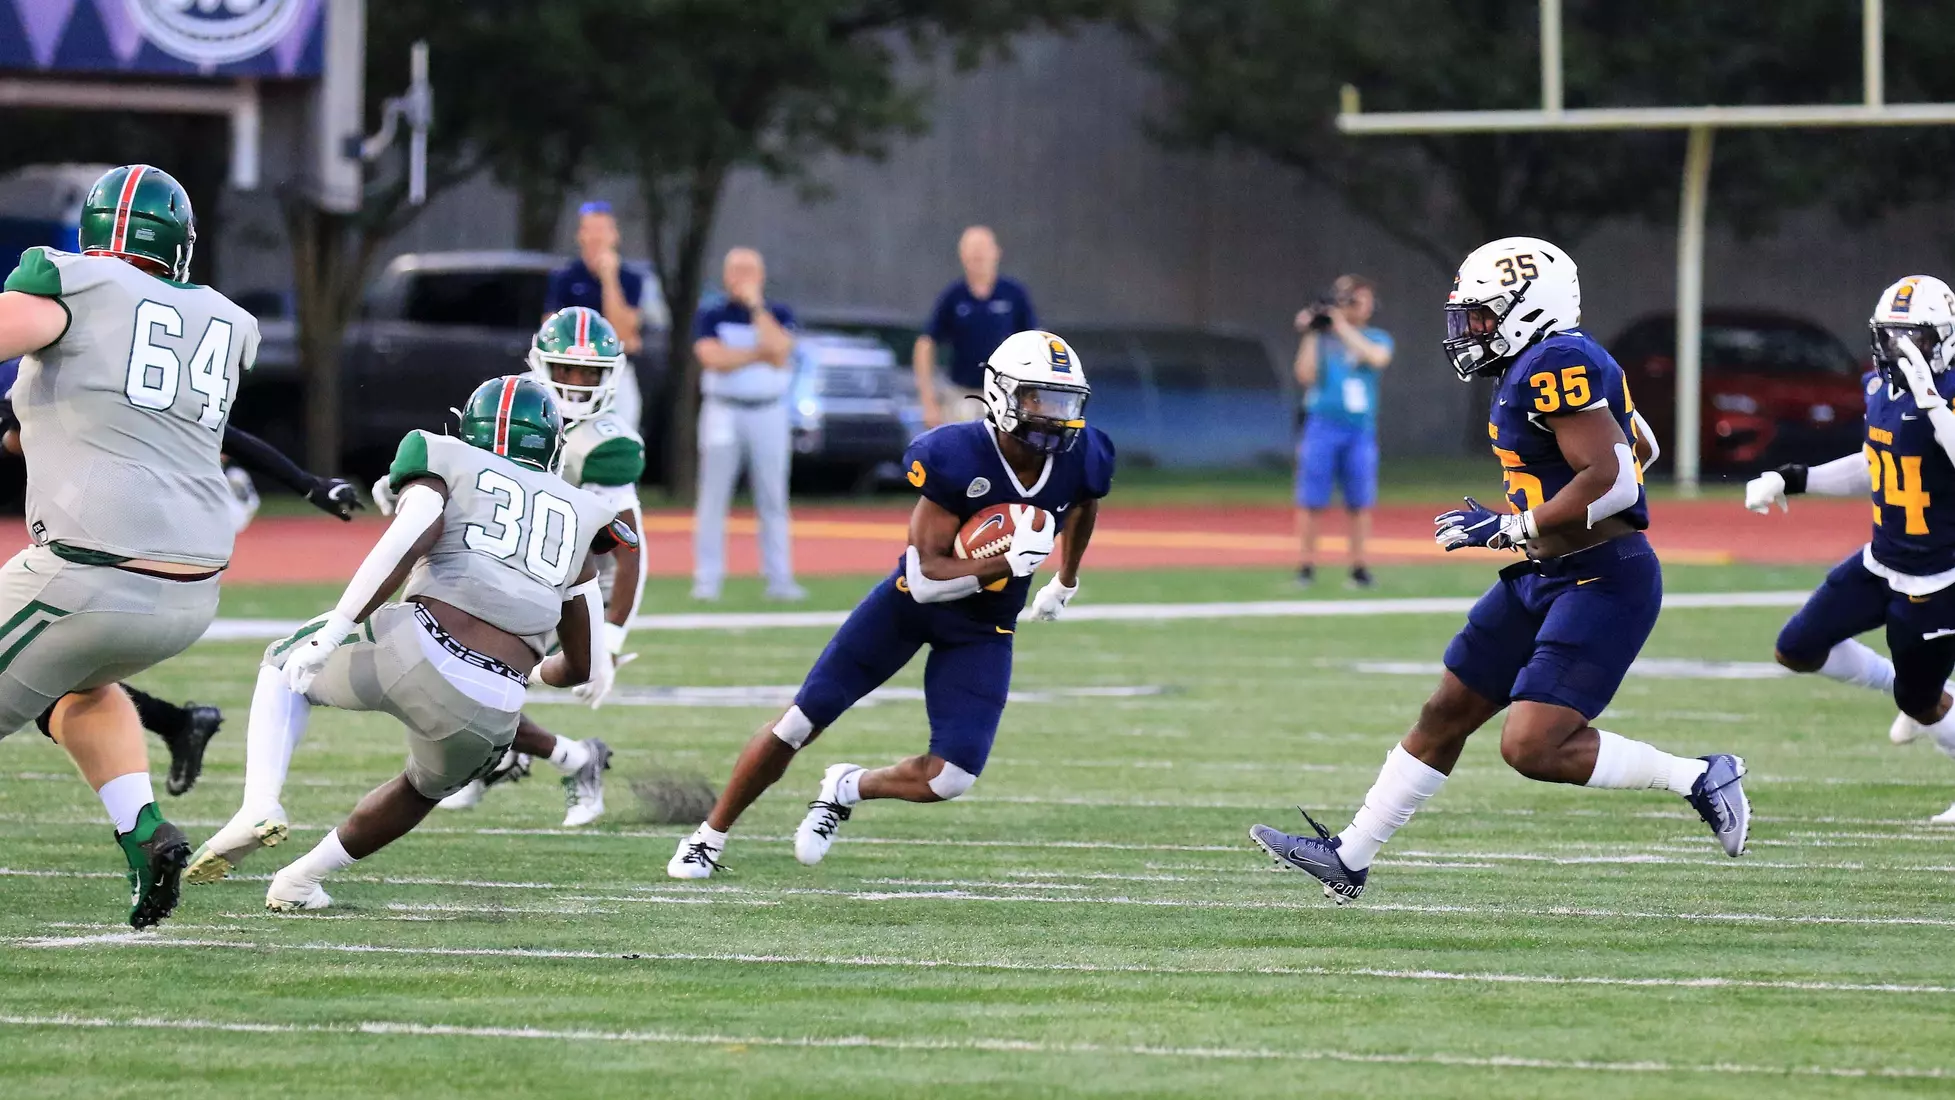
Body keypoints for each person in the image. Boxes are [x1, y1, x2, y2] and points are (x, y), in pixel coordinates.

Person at [1249, 236, 1750, 905]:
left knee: (1532, 748)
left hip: (1602, 577)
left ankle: (1697, 776)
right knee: (1445, 709)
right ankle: (1350, 856)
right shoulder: (1541, 361)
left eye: (1483, 316)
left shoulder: (1557, 361)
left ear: (1529, 309)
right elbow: (1641, 449)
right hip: (1544, 574)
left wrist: (1515, 524)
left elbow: (1617, 482)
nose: (1470, 331)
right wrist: (1548, 519)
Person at [668, 329, 1114, 879]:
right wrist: (1003, 564)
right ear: (1001, 393)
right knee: (798, 724)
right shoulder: (955, 455)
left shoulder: (1085, 454)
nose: (1052, 416)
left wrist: (1064, 580)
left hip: (983, 628)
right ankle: (707, 837)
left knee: (952, 778)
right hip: (908, 609)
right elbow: (924, 576)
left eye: (1064, 402)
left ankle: (846, 787)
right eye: (1038, 400)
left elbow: (1084, 503)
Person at [186, 377, 629, 908]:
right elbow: (581, 663)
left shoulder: (444, 455)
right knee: (423, 789)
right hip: (495, 706)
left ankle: (258, 803)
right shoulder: (582, 514)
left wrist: (334, 630)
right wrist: (530, 670)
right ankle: (300, 881)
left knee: (282, 666)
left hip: (416, 645)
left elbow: (406, 537)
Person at [0, 164, 258, 928]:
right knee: (79, 691)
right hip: (190, 592)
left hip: (92, 575)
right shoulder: (228, 321)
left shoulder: (74, 283)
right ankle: (144, 833)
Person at [420, 306, 646, 824]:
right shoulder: (507, 402)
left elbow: (629, 545)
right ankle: (566, 757)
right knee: (462, 677)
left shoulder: (606, 442)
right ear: (538, 363)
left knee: (468, 676)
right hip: (500, 560)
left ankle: (532, 757)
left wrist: (610, 635)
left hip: (566, 573)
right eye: (565, 369)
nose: (575, 383)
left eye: (588, 373)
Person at [1745, 275, 1955, 825]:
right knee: (1796, 648)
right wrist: (1793, 479)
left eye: (1917, 340)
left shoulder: (1947, 393)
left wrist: (1933, 402)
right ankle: (1916, 690)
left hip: (1939, 578)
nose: (1901, 352)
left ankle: (1925, 700)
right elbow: (1876, 461)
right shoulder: (1878, 389)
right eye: (1892, 339)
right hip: (1882, 560)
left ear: (1946, 339)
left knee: (1922, 703)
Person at [690, 247, 802, 601]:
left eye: (748, 270)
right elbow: (712, 358)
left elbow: (781, 349)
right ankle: (707, 581)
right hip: (723, 410)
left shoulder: (777, 312)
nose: (741, 277)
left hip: (768, 411)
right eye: (735, 269)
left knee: (773, 497)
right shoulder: (711, 314)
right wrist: (759, 354)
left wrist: (756, 309)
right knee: (713, 497)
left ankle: (780, 579)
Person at [1293, 275, 1392, 589]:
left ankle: (1359, 566)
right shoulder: (1323, 340)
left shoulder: (1377, 336)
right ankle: (1306, 566)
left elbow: (1376, 357)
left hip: (1359, 428)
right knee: (1311, 499)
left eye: (1358, 300)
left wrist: (1340, 326)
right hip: (1322, 424)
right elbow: (1305, 375)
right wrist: (1311, 333)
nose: (1354, 306)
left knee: (1360, 501)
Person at [914, 227, 1039, 428]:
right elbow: (925, 343)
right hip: (962, 395)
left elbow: (1035, 342)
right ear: (962, 254)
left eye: (982, 247)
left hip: (1007, 395)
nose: (977, 254)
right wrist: (928, 401)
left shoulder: (1014, 295)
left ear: (996, 252)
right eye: (971, 248)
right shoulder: (953, 297)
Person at [544, 201, 644, 430]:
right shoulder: (565, 277)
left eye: (603, 230)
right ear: (581, 235)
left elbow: (625, 335)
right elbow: (550, 332)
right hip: (569, 375)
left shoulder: (630, 279)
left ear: (615, 236)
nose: (597, 238)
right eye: (592, 230)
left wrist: (610, 279)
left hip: (613, 373)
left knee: (620, 435)